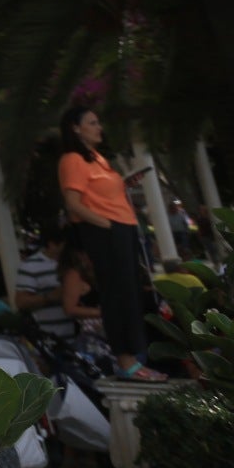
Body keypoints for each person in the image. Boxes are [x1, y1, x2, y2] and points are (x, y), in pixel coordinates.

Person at [56, 105, 167, 381]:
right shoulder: (72, 159)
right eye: (92, 122)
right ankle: (126, 361)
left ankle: (136, 358)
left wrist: (124, 185)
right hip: (106, 231)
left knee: (131, 292)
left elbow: (100, 192)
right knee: (116, 294)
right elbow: (73, 204)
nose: (99, 128)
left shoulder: (97, 159)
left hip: (123, 226)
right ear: (75, 128)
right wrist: (106, 225)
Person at [13, 228, 72, 340]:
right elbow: (21, 302)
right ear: (52, 244)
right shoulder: (30, 266)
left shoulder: (75, 262)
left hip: (82, 337)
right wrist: (50, 296)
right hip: (50, 338)